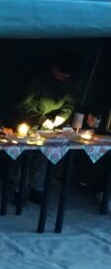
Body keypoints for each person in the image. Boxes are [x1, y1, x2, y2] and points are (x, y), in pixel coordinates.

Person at [14, 53, 82, 202]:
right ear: (54, 69)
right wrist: (41, 119)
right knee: (24, 158)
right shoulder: (37, 80)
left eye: (66, 77)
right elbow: (23, 104)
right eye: (62, 75)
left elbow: (70, 103)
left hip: (50, 129)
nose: (63, 79)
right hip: (29, 125)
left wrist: (61, 117)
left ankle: (37, 189)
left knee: (43, 158)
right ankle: (19, 189)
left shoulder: (67, 84)